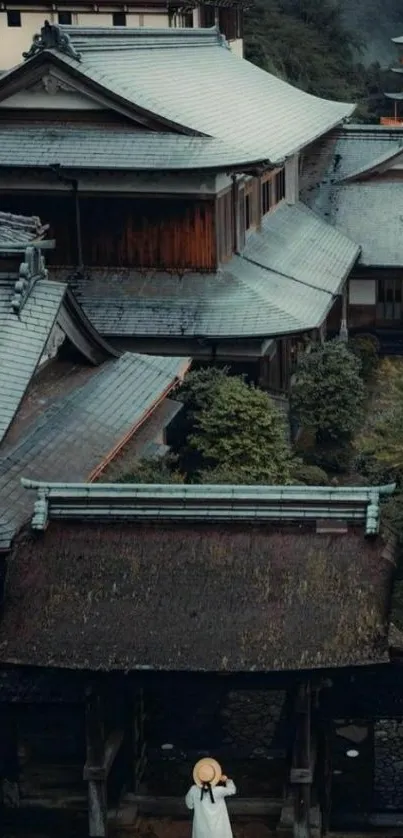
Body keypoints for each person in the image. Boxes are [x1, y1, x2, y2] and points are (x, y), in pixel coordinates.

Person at [185, 757, 236, 838]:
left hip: (201, 831)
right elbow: (232, 790)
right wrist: (227, 780)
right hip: (219, 831)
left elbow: (189, 805)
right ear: (214, 776)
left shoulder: (193, 790)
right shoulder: (219, 791)